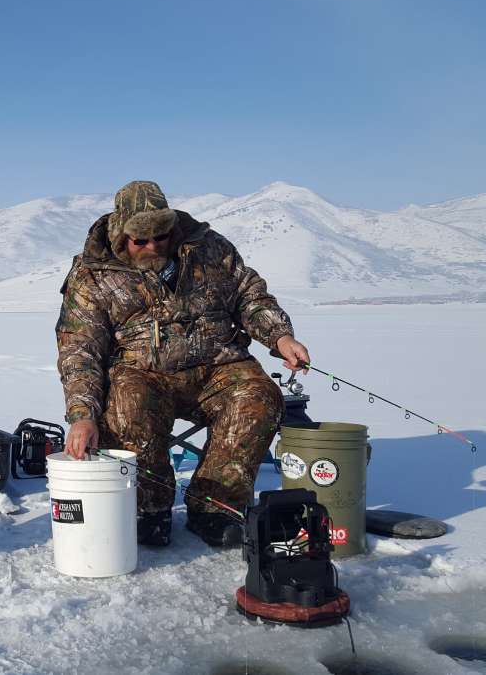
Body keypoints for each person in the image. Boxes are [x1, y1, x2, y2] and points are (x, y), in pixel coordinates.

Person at [55, 180, 310, 548]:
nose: (153, 246)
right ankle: (149, 509)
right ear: (120, 233)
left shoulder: (210, 248)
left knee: (259, 396)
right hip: (142, 373)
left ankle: (215, 508)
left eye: (161, 236)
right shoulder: (91, 274)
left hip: (219, 366)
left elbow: (250, 297)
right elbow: (79, 349)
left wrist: (281, 337)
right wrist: (82, 414)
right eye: (140, 241)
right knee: (127, 402)